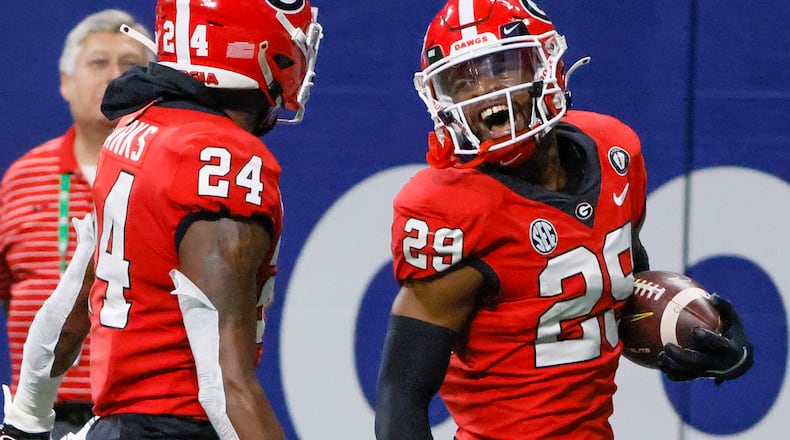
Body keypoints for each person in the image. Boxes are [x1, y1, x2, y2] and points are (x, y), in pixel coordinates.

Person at [374, 1, 753, 439]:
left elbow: (613, 291)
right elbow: (401, 395)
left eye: (502, 68)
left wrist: (706, 343)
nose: (486, 92)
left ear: (545, 64)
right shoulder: (450, 210)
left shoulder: (614, 152)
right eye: (463, 82)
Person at [0, 0, 322, 439]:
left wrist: (25, 420)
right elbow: (224, 385)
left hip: (114, 425)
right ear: (254, 47)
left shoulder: (134, 129)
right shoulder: (220, 157)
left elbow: (75, 295)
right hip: (177, 426)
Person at [0, 9, 154, 439]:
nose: (115, 75)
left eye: (131, 65)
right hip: (43, 417)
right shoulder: (23, 178)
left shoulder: (172, 173)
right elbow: (9, 290)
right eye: (99, 62)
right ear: (66, 82)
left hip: (140, 417)